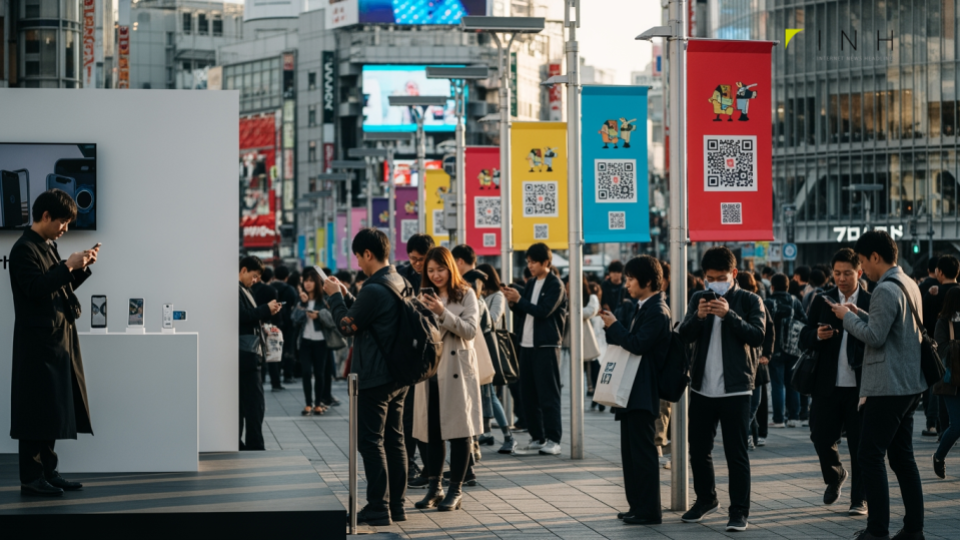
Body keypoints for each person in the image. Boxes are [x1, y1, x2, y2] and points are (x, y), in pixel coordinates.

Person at [830, 231, 927, 540]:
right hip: (910, 383)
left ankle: (877, 530)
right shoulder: (908, 282)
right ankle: (913, 529)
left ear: (874, 257)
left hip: (888, 385)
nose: (862, 270)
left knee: (869, 456)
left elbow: (875, 337)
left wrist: (847, 317)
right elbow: (890, 328)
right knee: (902, 458)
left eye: (861, 262)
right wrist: (861, 314)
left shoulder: (885, 288)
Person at [9, 189, 98, 497]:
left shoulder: (45, 246)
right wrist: (67, 266)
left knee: (51, 409)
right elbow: (35, 288)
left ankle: (48, 471)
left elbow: (56, 287)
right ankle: (32, 477)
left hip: (55, 340)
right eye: (63, 222)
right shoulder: (24, 249)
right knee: (36, 410)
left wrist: (80, 266)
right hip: (37, 344)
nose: (65, 228)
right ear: (45, 216)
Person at [325, 228, 408, 526]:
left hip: (374, 375)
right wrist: (348, 295)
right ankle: (396, 506)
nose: (358, 262)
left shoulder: (374, 289)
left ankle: (377, 507)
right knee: (394, 440)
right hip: (398, 376)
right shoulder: (398, 280)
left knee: (370, 442)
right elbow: (370, 316)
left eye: (359, 256)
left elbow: (347, 326)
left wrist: (335, 298)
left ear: (368, 254)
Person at [678, 246, 764, 533]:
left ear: (734, 274)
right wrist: (698, 317)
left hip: (737, 389)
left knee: (736, 453)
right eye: (710, 277)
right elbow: (684, 336)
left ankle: (739, 511)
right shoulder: (697, 298)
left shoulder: (750, 299)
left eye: (721, 277)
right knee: (698, 449)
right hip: (702, 386)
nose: (715, 282)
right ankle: (706, 499)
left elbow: (757, 336)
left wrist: (730, 315)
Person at [598, 256, 671, 526]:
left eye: (631, 278)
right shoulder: (644, 306)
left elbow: (638, 344)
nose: (627, 283)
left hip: (642, 390)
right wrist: (613, 326)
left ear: (648, 281)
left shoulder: (657, 309)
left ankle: (649, 510)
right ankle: (637, 505)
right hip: (631, 389)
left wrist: (614, 326)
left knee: (643, 452)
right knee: (630, 453)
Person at [799, 248, 871, 516]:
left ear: (859, 272)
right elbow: (803, 336)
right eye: (837, 273)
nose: (841, 278)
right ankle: (835, 475)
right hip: (826, 384)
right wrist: (816, 335)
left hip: (861, 386)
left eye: (847, 273)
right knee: (820, 436)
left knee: (859, 444)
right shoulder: (822, 300)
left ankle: (859, 499)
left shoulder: (870, 300)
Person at [412, 247, 484, 512]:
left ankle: (456, 489)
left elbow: (470, 330)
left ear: (450, 267)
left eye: (440, 269)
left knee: (459, 431)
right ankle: (434, 487)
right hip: (431, 371)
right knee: (431, 433)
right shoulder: (421, 297)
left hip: (455, 369)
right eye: (430, 271)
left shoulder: (466, 294)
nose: (435, 275)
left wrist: (443, 312)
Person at [502, 243, 568, 456]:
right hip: (526, 345)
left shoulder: (555, 285)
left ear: (546, 263)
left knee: (548, 394)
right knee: (527, 393)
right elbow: (526, 313)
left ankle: (554, 439)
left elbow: (543, 311)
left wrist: (519, 299)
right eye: (528, 261)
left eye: (533, 262)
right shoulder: (531, 284)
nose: (529, 265)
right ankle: (537, 436)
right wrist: (514, 303)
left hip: (546, 346)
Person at [398, 233, 435, 485]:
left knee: (431, 415)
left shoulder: (440, 275)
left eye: (421, 260)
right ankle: (409, 463)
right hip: (410, 354)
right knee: (409, 413)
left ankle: (433, 468)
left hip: (435, 355)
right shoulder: (402, 276)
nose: (418, 265)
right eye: (413, 260)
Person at [239, 256, 282, 451]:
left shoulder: (245, 290)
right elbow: (241, 316)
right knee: (254, 404)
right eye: (254, 276)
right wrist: (265, 309)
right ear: (243, 270)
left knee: (249, 404)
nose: (255, 280)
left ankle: (248, 444)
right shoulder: (236, 290)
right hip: (245, 354)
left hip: (248, 353)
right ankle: (254, 446)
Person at [477, 263, 517, 454]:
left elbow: (492, 319)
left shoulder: (497, 296)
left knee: (490, 394)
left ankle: (509, 436)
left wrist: (476, 307)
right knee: (483, 393)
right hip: (479, 349)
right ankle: (486, 433)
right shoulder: (481, 297)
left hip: (491, 350)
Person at [921, 255, 959, 438]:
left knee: (939, 388)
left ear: (940, 272)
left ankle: (937, 426)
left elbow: (923, 320)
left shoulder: (932, 293)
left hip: (936, 349)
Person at [765, 273, 808, 428]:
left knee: (777, 384)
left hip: (775, 349)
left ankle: (778, 419)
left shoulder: (768, 302)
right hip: (793, 348)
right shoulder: (794, 301)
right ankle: (794, 417)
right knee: (792, 383)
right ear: (787, 286)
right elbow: (805, 321)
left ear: (773, 286)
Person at [737, 273, 772, 452]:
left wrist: (767, 353)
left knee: (755, 401)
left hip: (757, 360)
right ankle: (748, 435)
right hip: (741, 361)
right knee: (750, 402)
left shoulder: (755, 302)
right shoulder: (732, 302)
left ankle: (746, 433)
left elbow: (769, 328)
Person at [294, 267, 332, 416]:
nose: (307, 284)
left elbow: (332, 319)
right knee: (305, 372)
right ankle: (308, 403)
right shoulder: (301, 299)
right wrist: (303, 305)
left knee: (319, 373)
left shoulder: (324, 299)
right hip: (305, 341)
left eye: (311, 281)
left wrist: (319, 315)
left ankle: (318, 404)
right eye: (305, 280)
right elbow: (294, 319)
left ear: (317, 282)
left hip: (321, 341)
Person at [933, 287, 960, 479]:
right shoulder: (943, 323)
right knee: (957, 425)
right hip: (951, 381)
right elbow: (941, 349)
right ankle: (939, 456)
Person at [252, 267, 284, 392]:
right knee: (272, 354)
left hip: (254, 325)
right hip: (269, 324)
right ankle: (275, 383)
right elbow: (275, 311)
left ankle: (261, 380)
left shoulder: (248, 290)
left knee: (258, 354)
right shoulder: (271, 290)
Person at [271, 265, 300, 384]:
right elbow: (295, 305)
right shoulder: (290, 289)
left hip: (272, 322)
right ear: (287, 277)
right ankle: (288, 375)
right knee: (288, 348)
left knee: (273, 349)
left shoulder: (269, 288)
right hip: (288, 323)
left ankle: (276, 376)